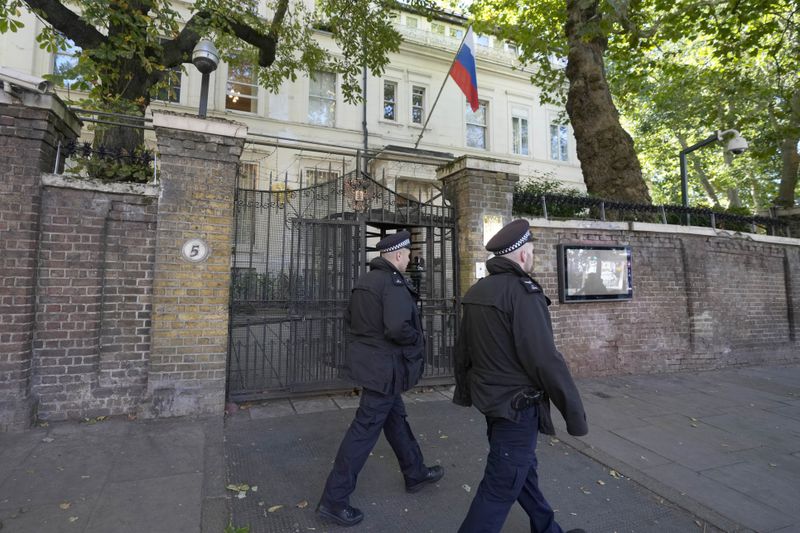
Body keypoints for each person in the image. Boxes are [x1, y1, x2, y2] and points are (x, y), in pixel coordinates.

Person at [454, 219, 588, 533]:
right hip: (517, 408)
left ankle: (547, 529)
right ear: (522, 255)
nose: (533, 256)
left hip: (492, 403)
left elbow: (462, 350)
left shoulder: (477, 291)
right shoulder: (523, 293)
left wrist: (465, 392)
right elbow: (545, 360)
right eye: (531, 251)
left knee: (522, 471)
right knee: (500, 487)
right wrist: (574, 414)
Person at [317, 230, 444, 527]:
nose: (410, 259)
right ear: (398, 255)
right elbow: (398, 328)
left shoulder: (365, 281)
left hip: (373, 367)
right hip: (385, 370)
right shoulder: (392, 283)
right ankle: (333, 500)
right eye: (408, 255)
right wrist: (416, 343)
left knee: (396, 419)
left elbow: (350, 322)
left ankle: (415, 472)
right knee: (362, 433)